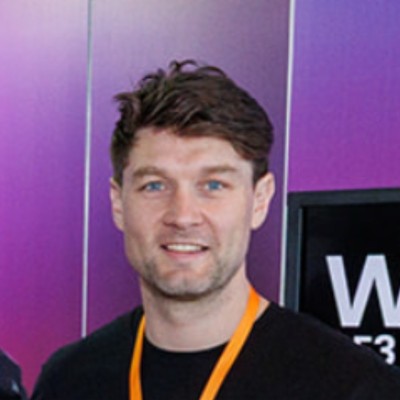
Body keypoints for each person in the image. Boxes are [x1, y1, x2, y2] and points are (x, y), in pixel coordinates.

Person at [31, 60, 400, 399]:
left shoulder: (353, 386)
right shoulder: (67, 380)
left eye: (213, 185)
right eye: (155, 185)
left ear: (260, 200)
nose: (183, 216)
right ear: (118, 203)